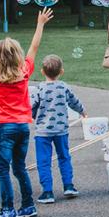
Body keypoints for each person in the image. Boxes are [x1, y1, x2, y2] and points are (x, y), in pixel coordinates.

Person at [0, 7, 53, 217]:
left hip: (5, 128)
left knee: (2, 170)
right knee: (19, 168)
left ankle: (7, 209)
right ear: (18, 55)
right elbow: (34, 46)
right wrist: (40, 23)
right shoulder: (24, 70)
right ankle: (27, 205)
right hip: (23, 127)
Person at [31, 55, 85, 204]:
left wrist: (31, 115)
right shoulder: (64, 86)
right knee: (64, 157)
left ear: (42, 71)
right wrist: (83, 111)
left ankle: (47, 192)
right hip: (61, 130)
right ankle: (68, 185)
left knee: (43, 161)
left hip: (42, 132)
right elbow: (74, 101)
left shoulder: (39, 88)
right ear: (61, 71)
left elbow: (31, 106)